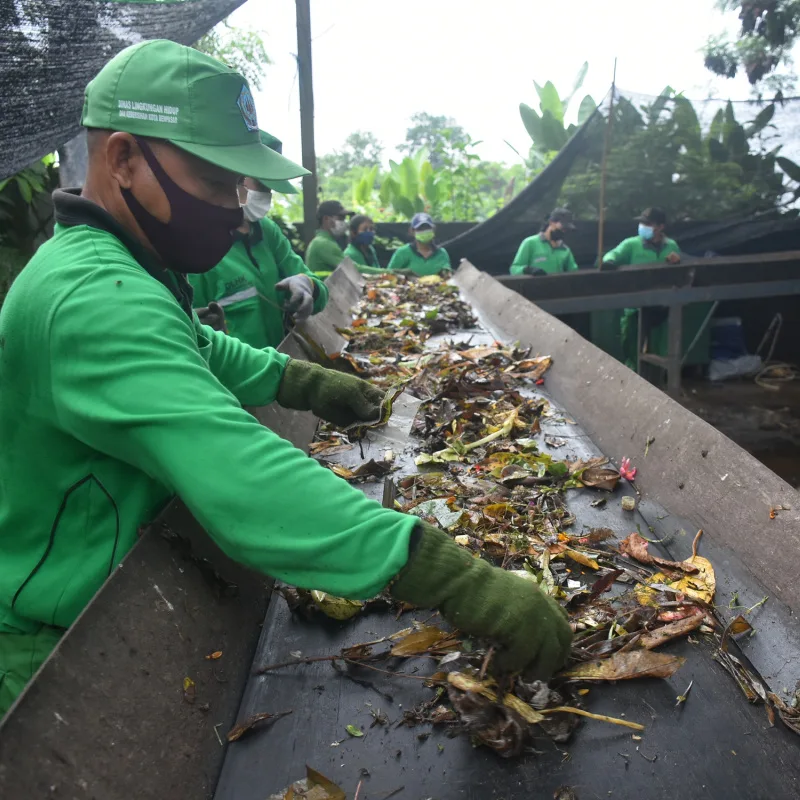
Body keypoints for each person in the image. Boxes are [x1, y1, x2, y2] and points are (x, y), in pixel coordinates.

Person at [0, 40, 571, 717]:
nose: (236, 208)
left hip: (104, 585)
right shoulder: (90, 296)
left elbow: (194, 345)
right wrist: (452, 574)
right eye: (216, 183)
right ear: (123, 159)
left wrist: (302, 383)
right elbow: (234, 467)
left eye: (239, 187)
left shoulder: (116, 265)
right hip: (54, 647)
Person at [190, 131, 327, 348]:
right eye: (262, 186)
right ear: (233, 176)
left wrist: (309, 285)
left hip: (280, 360)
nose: (267, 195)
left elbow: (317, 288)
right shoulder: (196, 242)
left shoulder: (266, 231)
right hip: (236, 376)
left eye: (270, 188)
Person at [602, 208, 682, 368]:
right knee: (632, 348)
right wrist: (609, 262)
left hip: (662, 306)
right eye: (642, 223)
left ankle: (658, 384)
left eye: (648, 223)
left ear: (660, 227)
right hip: (635, 307)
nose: (642, 226)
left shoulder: (671, 245)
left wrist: (677, 262)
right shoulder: (632, 244)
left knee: (661, 351)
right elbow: (612, 255)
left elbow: (679, 272)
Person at [509, 208, 579, 275]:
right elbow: (514, 269)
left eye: (566, 229)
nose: (564, 231)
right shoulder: (530, 243)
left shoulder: (565, 250)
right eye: (562, 228)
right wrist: (528, 270)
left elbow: (574, 272)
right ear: (551, 223)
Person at [387, 212, 452, 276]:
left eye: (427, 228)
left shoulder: (441, 253)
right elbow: (389, 274)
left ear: (433, 230)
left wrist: (446, 273)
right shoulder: (403, 252)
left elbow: (447, 274)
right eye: (420, 229)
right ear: (412, 231)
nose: (424, 231)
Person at [304, 200, 349, 275]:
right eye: (341, 218)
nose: (344, 222)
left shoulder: (321, 241)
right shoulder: (324, 244)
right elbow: (351, 269)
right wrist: (376, 271)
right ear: (326, 219)